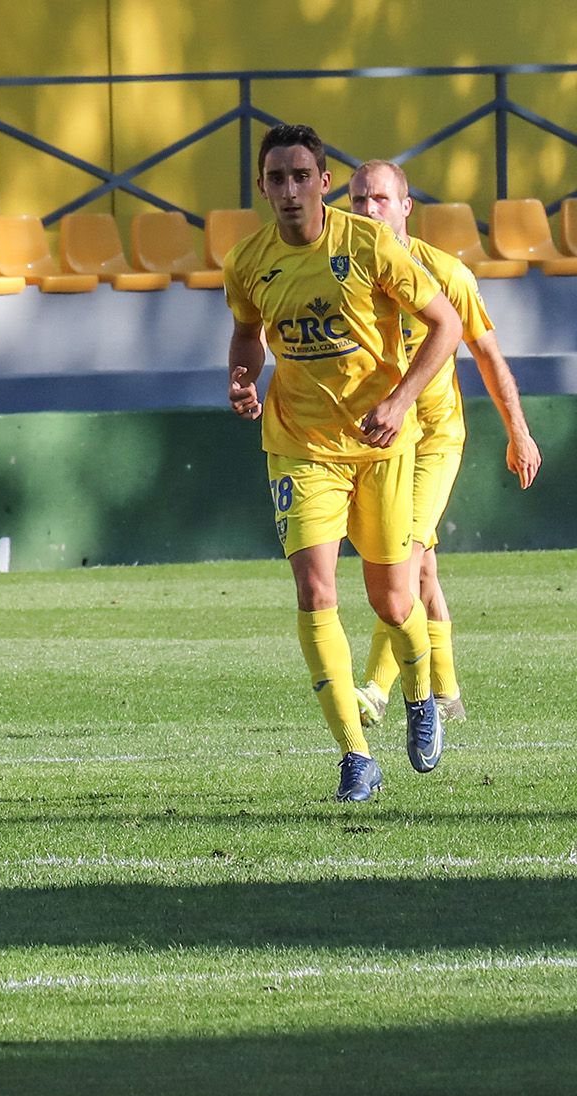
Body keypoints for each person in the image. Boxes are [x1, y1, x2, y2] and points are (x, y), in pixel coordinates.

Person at [224, 123, 462, 802]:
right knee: (315, 591)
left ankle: (418, 691)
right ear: (263, 187)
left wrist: (400, 399)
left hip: (381, 443)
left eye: (303, 176)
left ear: (325, 182)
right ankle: (355, 756)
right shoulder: (246, 262)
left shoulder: (368, 244)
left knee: (393, 596)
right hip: (299, 445)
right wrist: (242, 379)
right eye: (277, 178)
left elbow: (445, 324)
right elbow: (247, 337)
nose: (291, 190)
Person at [344, 159, 543, 724]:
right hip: (380, 439)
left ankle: (378, 691)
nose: (367, 210)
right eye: (358, 200)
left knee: (402, 558)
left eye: (380, 199)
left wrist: (518, 432)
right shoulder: (342, 275)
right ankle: (448, 692)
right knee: (424, 570)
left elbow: (488, 358)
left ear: (406, 207)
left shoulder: (447, 275)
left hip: (433, 436)